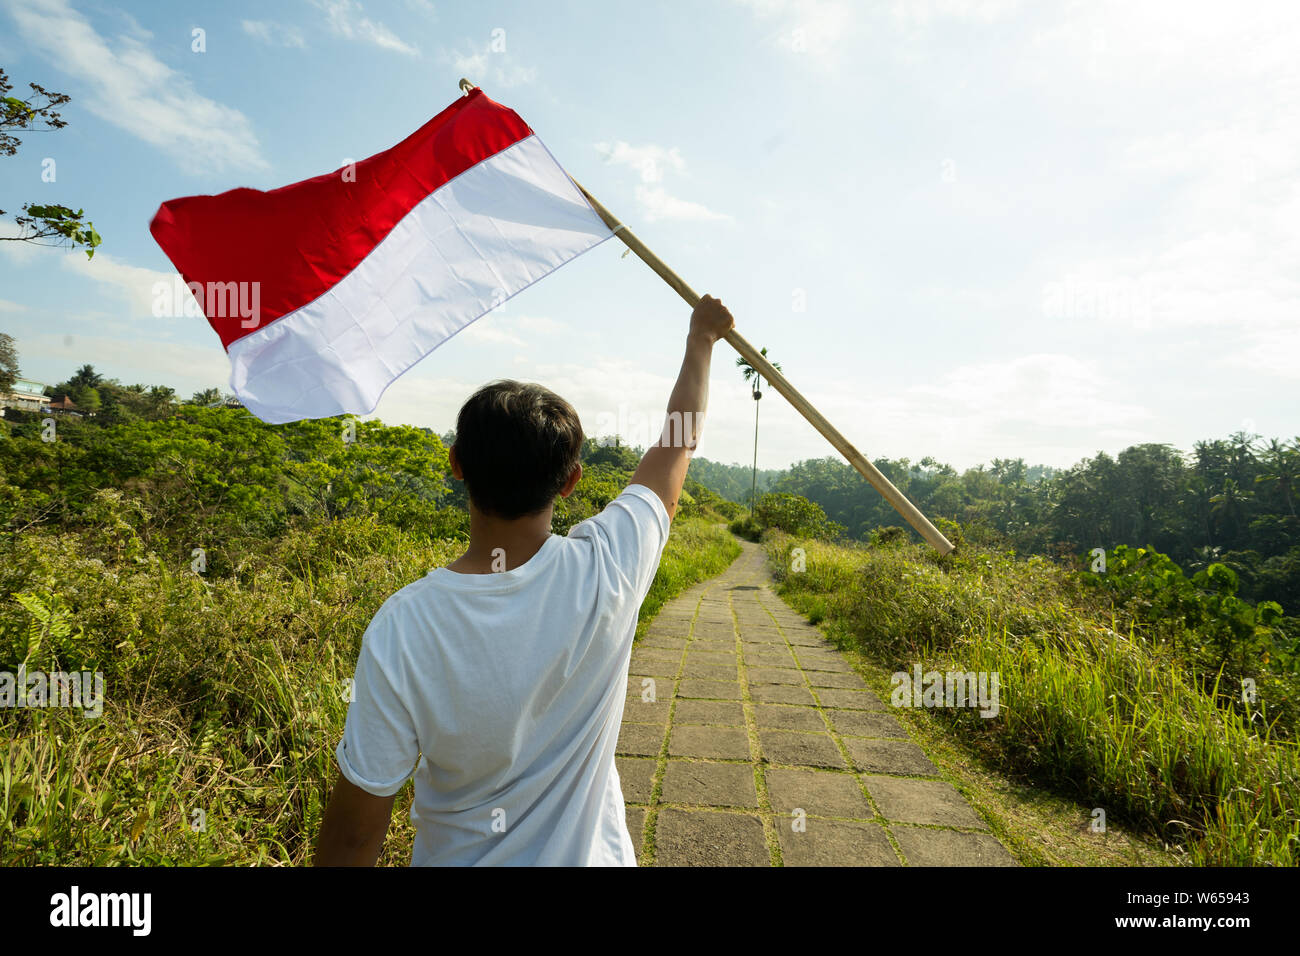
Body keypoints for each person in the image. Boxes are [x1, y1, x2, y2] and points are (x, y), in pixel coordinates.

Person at [313, 294, 736, 865]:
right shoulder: (609, 566)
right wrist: (701, 341)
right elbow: (677, 443)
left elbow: (355, 835)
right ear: (571, 482)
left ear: (457, 463)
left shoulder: (404, 625)